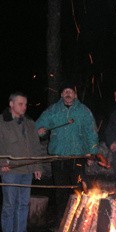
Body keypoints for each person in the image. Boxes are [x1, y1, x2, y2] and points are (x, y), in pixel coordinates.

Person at [35, 82, 99, 223]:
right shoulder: (53, 111)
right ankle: (62, 222)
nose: (68, 94)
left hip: (78, 157)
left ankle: (80, 221)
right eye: (65, 92)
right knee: (61, 191)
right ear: (61, 94)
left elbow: (91, 133)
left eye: (71, 91)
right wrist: (40, 132)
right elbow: (38, 126)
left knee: (78, 190)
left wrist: (92, 153)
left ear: (75, 95)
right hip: (58, 158)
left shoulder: (83, 111)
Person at [0, 92, 43, 232]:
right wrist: (1, 163)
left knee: (24, 203)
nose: (24, 107)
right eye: (20, 104)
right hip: (10, 171)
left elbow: (36, 147)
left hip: (27, 170)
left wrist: (37, 166)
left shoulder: (30, 123)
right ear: (11, 104)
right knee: (10, 204)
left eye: (25, 104)